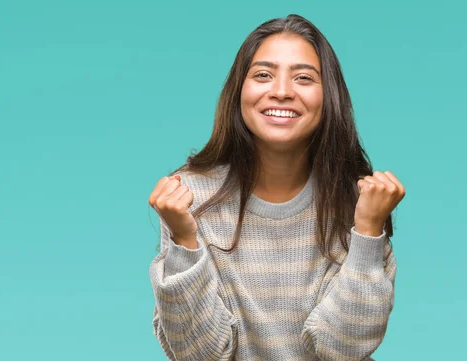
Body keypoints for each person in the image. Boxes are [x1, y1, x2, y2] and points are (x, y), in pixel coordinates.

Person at [147, 14, 406, 361]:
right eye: (263, 75)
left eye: (303, 78)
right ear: (239, 89)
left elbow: (343, 349)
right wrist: (183, 242)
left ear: (329, 96)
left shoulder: (360, 203)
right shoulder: (190, 198)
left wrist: (368, 232)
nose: (281, 92)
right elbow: (197, 354)